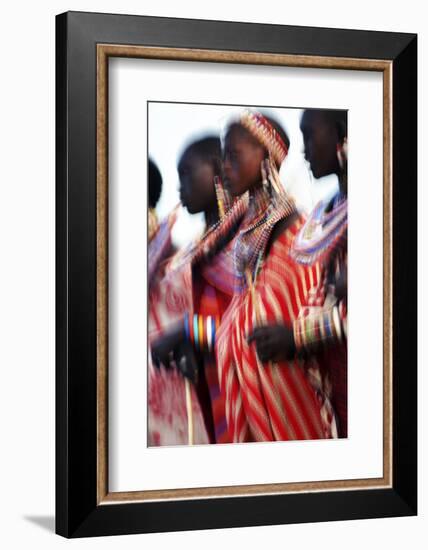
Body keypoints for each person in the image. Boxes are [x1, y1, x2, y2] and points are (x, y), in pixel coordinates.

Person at [215, 110, 336, 443]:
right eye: (224, 156)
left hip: (300, 417)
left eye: (233, 155)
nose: (225, 166)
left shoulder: (298, 236)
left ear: (265, 155)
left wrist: (293, 339)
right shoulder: (248, 242)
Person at [149, 136, 247, 444]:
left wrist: (188, 332)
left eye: (187, 174)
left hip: (238, 392)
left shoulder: (243, 240)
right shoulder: (194, 248)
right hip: (203, 388)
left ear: (218, 170)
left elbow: (246, 328)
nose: (180, 188)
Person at [289, 109, 348, 437]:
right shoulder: (324, 209)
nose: (304, 149)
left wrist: (295, 337)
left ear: (341, 134)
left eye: (309, 135)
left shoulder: (385, 202)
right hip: (332, 381)